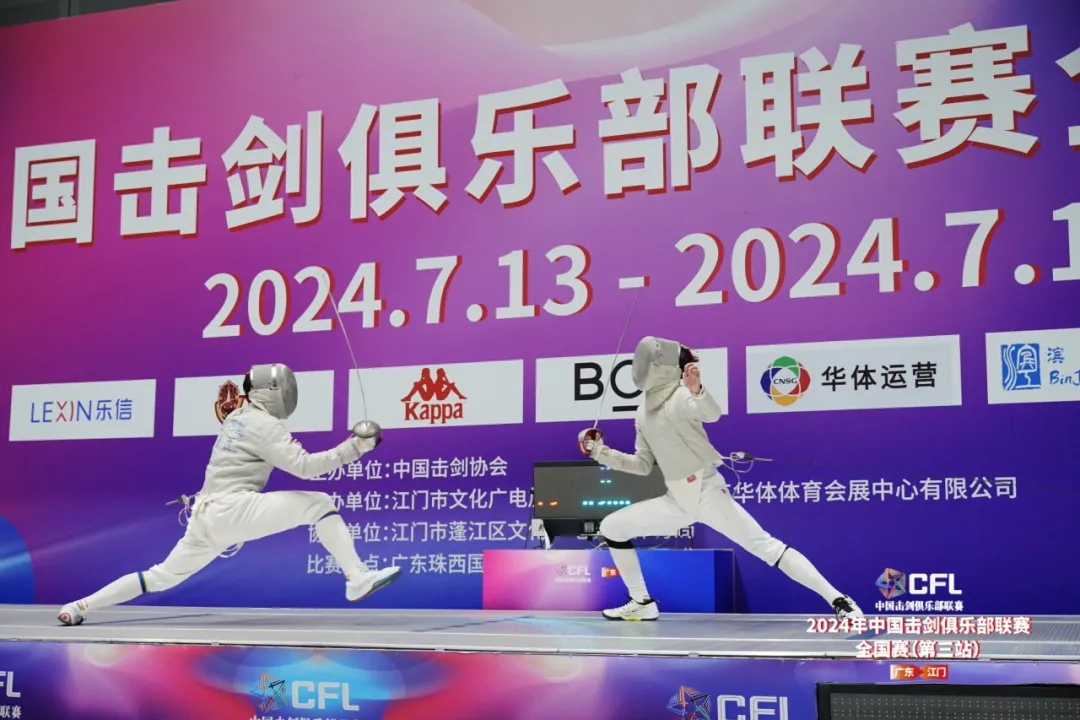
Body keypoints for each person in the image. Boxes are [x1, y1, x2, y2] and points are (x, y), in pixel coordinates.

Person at [58, 363, 400, 626]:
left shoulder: (238, 417)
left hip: (206, 517)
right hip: (230, 509)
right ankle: (356, 578)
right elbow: (305, 467)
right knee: (320, 505)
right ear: (272, 392)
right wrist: (355, 447)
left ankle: (79, 606)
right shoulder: (264, 425)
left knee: (159, 577)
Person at [579, 337, 862, 622]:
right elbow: (642, 465)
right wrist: (601, 452)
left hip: (707, 492)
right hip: (677, 500)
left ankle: (839, 600)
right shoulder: (642, 414)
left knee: (767, 548)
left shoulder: (683, 396)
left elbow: (711, 414)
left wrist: (698, 391)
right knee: (612, 527)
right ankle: (641, 601)